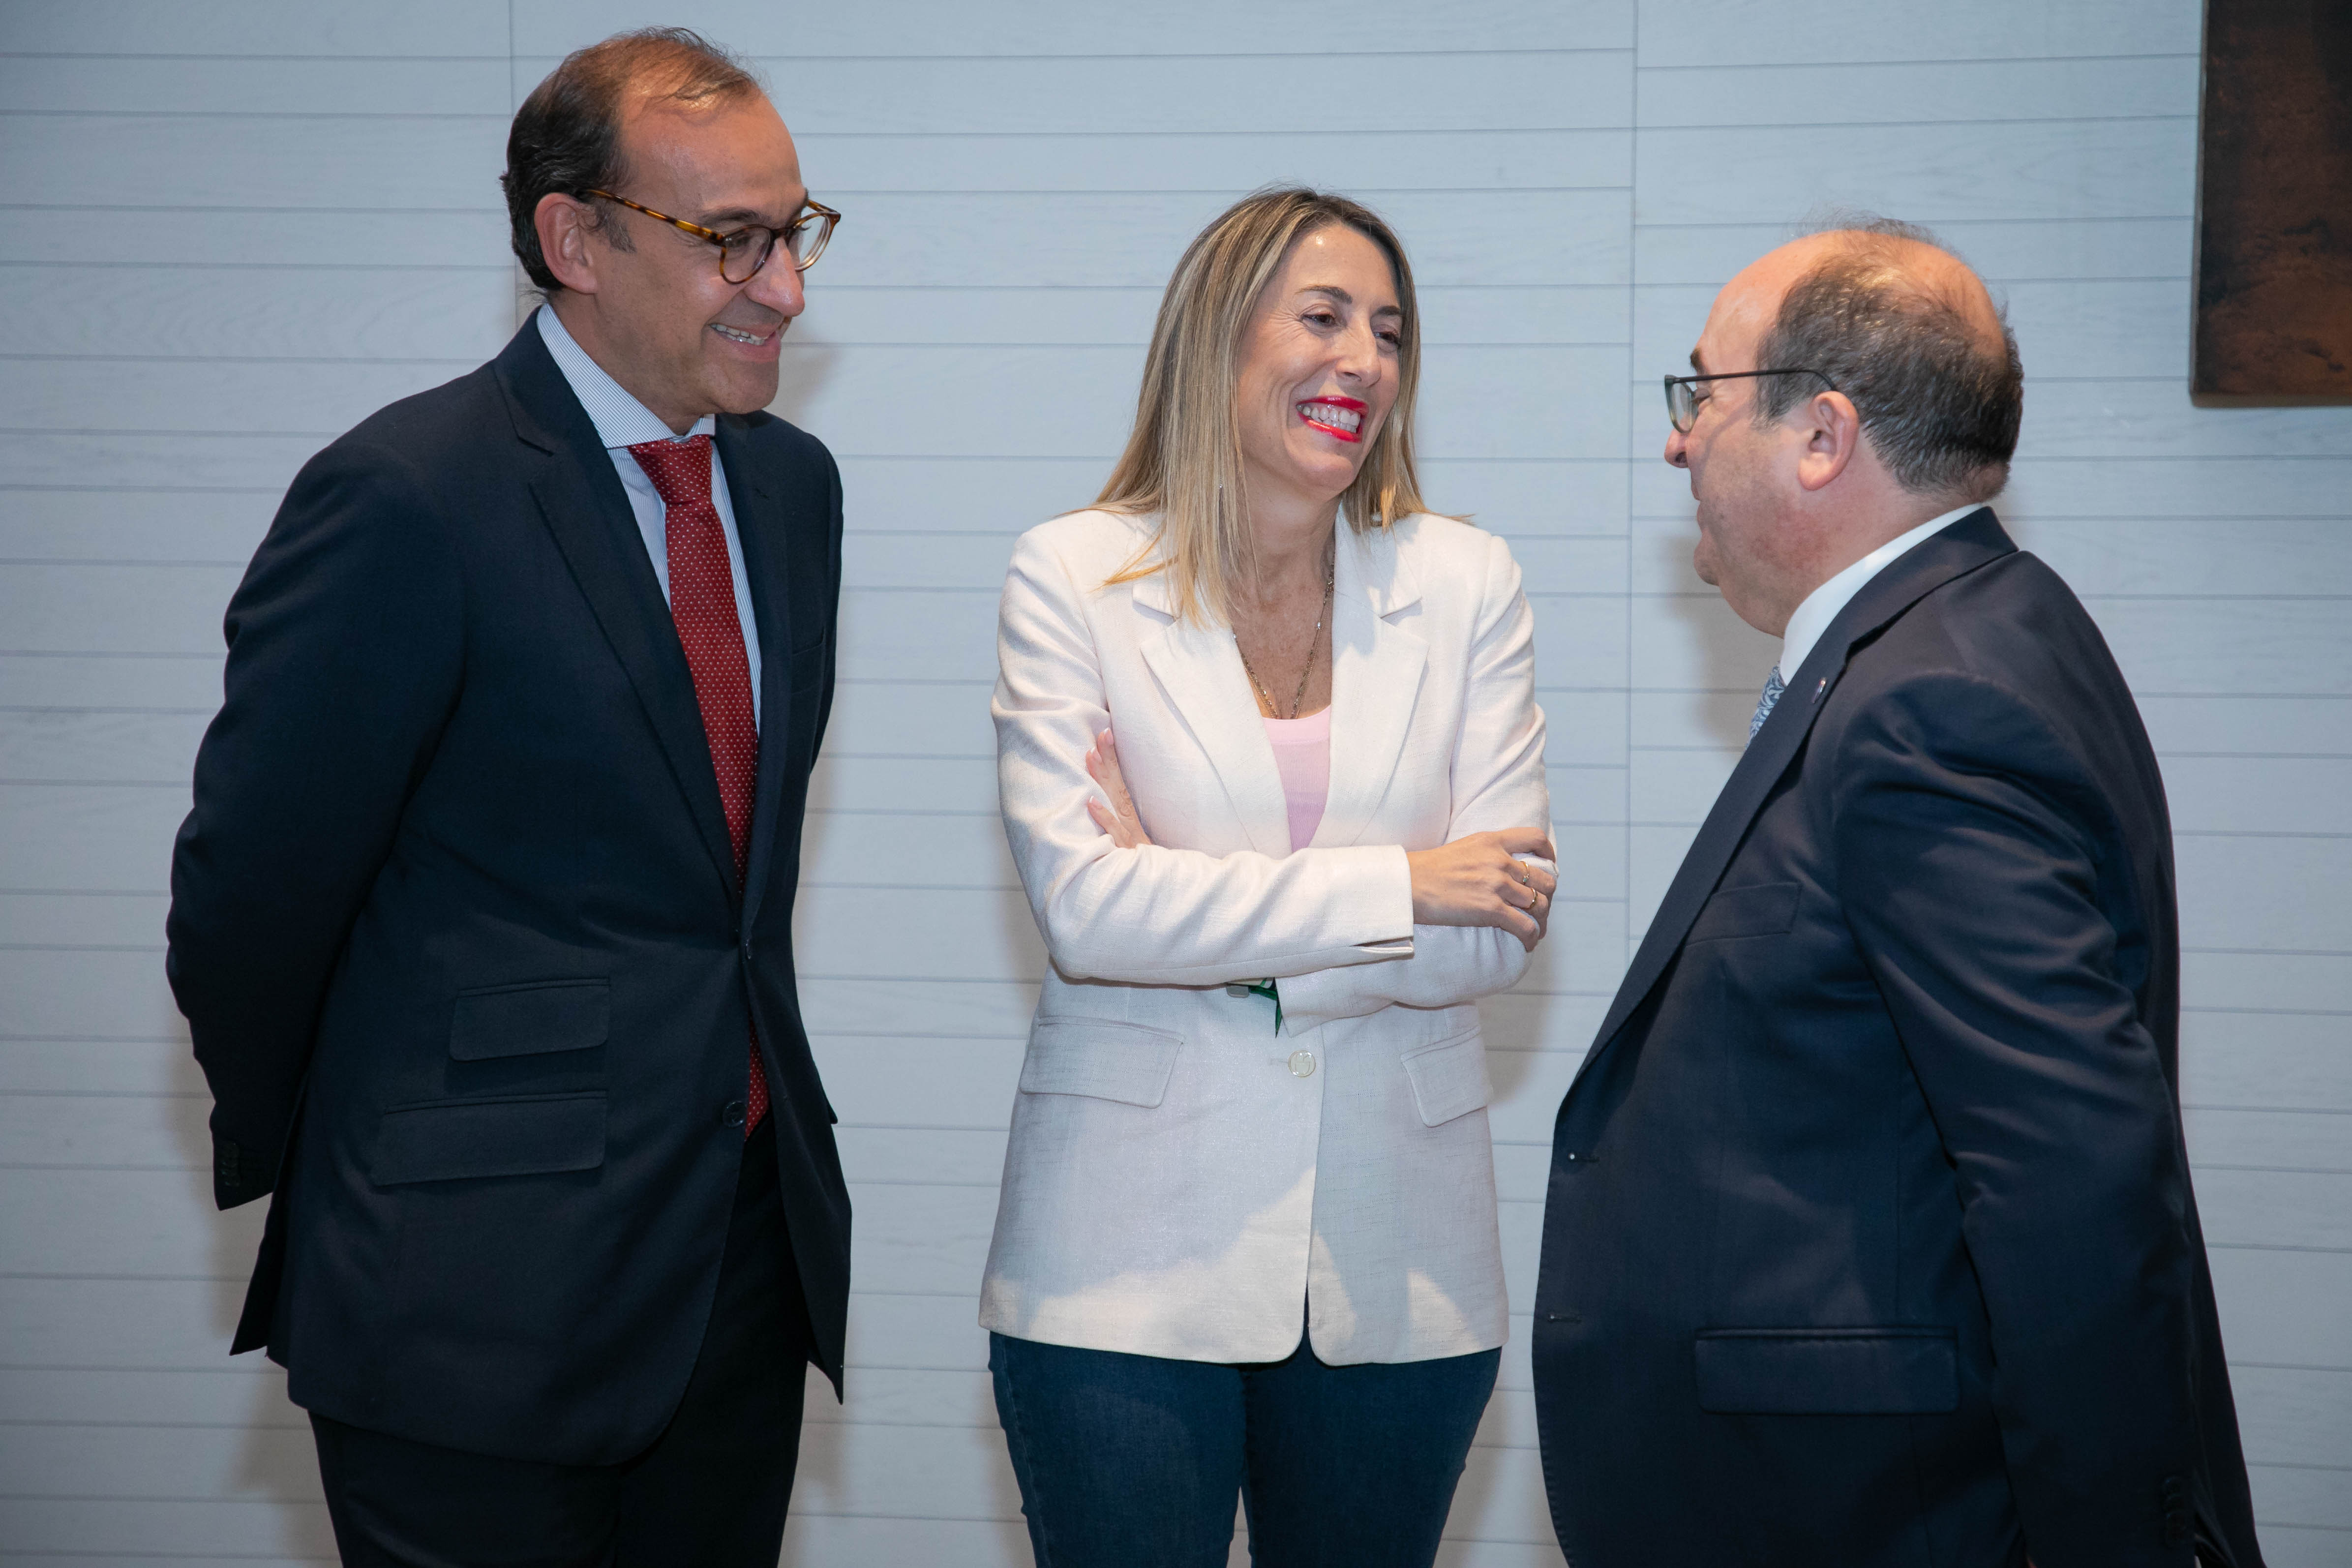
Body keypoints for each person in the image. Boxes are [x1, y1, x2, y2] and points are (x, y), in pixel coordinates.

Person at [164, 30, 848, 1564]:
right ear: (573, 239)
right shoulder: (410, 496)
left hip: (735, 1275)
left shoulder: (795, 491)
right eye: (730, 238)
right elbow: (248, 909)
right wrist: (379, 1162)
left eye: (795, 232)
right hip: (464, 1296)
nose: (786, 285)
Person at [1531, 220, 2264, 1568]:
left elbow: (2074, 1185)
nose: (1677, 442)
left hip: (1881, 1513)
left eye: (1701, 393)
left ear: (1822, 436)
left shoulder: (1931, 699)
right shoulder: (1976, 627)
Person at [981, 187, 1558, 1568]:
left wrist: (1187, 902)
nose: (1363, 357)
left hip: (1399, 1270)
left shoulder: (1469, 583)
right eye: (1323, 316)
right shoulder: (1074, 573)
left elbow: (1501, 931)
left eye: (1392, 331)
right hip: (1117, 1267)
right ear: (1217, 339)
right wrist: (1405, 884)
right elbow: (1087, 911)